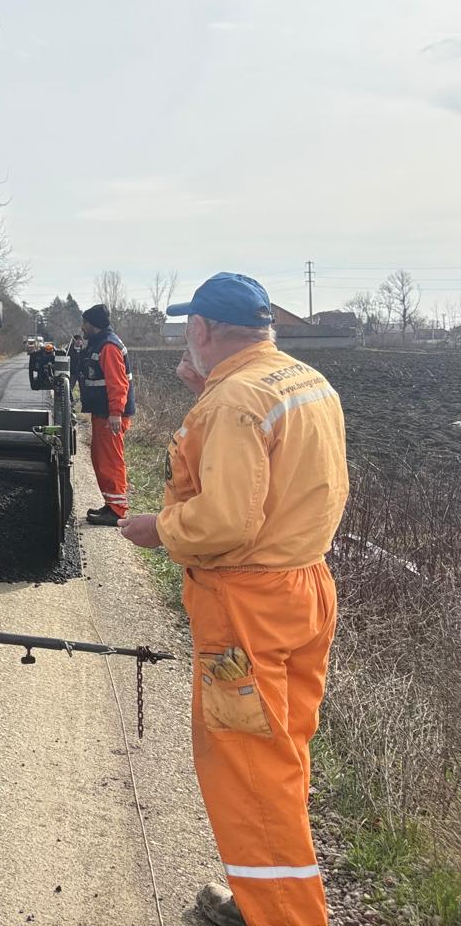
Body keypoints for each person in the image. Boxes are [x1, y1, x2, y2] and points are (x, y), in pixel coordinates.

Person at [118, 273, 348, 926]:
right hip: (305, 592)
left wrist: (157, 529)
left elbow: (225, 523)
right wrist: (209, 399)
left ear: (202, 330)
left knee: (248, 779)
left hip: (245, 613)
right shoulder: (303, 382)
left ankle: (282, 916)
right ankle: (262, 902)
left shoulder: (233, 402)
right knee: (281, 760)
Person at [77, 304, 133, 524]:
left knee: (110, 460)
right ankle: (110, 504)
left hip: (111, 416)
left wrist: (115, 413)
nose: (82, 327)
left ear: (93, 324)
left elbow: (117, 384)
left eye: (85, 323)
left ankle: (117, 510)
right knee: (101, 458)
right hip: (104, 413)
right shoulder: (100, 344)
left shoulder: (108, 347)